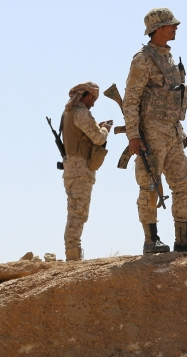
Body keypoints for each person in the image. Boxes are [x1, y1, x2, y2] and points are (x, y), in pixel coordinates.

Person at [123, 7, 187, 254]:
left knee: (183, 184)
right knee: (149, 185)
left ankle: (183, 238)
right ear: (157, 29)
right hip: (150, 133)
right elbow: (131, 99)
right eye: (171, 24)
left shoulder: (169, 58)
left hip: (172, 131)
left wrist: (178, 129)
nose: (175, 28)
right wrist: (134, 135)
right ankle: (151, 239)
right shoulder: (142, 60)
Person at [61, 82, 112, 262]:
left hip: (73, 167)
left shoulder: (69, 112)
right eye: (94, 99)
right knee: (78, 212)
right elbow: (98, 138)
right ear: (88, 96)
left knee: (75, 210)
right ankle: (73, 256)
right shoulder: (80, 112)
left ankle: (73, 253)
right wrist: (105, 129)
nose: (94, 103)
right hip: (80, 168)